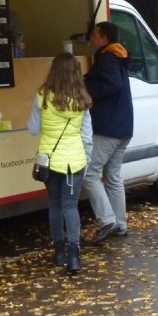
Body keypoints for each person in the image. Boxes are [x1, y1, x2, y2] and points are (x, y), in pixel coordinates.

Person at [28, 53, 93, 273]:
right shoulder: (82, 99)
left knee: (55, 205)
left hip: (49, 160)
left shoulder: (42, 96)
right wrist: (87, 161)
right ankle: (74, 255)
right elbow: (87, 136)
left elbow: (33, 129)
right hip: (74, 161)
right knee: (70, 206)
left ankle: (58, 252)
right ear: (76, 73)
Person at [83, 21, 134, 243]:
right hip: (123, 126)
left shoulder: (106, 58)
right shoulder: (119, 56)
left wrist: (87, 90)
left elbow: (111, 85)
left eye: (94, 35)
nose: (91, 39)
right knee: (113, 177)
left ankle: (107, 221)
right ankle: (120, 224)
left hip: (108, 127)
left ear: (104, 38)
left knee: (90, 174)